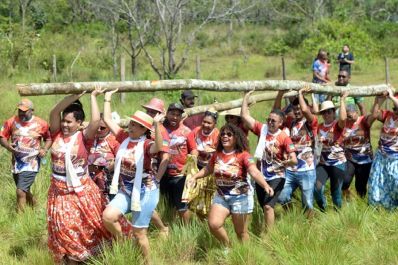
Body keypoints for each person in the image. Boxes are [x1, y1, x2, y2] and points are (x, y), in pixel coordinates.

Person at [47, 88, 112, 264]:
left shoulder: (84, 137)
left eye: (69, 122)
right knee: (63, 228)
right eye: (63, 121)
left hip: (80, 193)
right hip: (58, 193)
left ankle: (79, 257)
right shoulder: (56, 134)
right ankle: (71, 258)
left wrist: (92, 97)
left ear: (79, 123)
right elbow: (53, 112)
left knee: (83, 228)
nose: (65, 125)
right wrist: (73, 97)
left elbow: (97, 120)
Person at [101, 89, 164, 264]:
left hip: (145, 192)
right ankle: (125, 243)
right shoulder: (124, 138)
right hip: (126, 190)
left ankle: (147, 262)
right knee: (108, 217)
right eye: (131, 123)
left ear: (144, 129)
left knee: (140, 233)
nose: (131, 126)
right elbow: (107, 120)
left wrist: (157, 125)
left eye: (135, 125)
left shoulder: (147, 144)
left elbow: (158, 147)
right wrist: (107, 98)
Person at [188, 124, 274, 246]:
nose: (225, 136)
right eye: (222, 134)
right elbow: (208, 169)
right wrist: (194, 177)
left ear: (236, 137)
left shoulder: (244, 155)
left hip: (240, 197)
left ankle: (246, 256)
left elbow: (254, 171)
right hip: (221, 196)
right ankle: (228, 247)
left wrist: (265, 185)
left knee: (241, 232)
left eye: (229, 134)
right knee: (214, 224)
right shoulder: (216, 155)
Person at [241, 91, 297, 229]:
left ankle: (269, 237)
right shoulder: (262, 130)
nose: (270, 122)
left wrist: (286, 162)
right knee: (263, 205)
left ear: (280, 123)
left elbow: (294, 160)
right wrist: (246, 97)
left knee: (267, 206)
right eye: (269, 119)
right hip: (261, 175)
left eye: (273, 121)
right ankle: (270, 225)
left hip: (277, 175)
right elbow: (244, 116)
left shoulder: (284, 137)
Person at [0, 98, 52, 212]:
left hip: (32, 162)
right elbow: (2, 136)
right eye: (20, 110)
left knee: (20, 191)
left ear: (32, 111)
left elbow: (49, 138)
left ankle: (21, 220)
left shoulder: (41, 123)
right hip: (16, 162)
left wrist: (44, 149)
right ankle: (37, 209)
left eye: (25, 111)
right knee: (24, 189)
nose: (22, 113)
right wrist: (8, 146)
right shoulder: (11, 121)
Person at [274, 87, 318, 217]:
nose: (298, 111)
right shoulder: (289, 123)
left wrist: (300, 94)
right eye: (295, 109)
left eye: (299, 109)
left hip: (307, 170)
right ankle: (292, 215)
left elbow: (305, 110)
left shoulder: (311, 122)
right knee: (281, 197)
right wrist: (280, 93)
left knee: (308, 203)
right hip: (290, 170)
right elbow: (276, 112)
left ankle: (310, 227)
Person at [314, 94, 348, 211]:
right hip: (323, 163)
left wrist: (342, 100)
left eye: (329, 112)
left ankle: (338, 215)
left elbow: (343, 119)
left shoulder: (337, 125)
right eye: (324, 112)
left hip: (337, 163)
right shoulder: (319, 127)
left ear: (334, 112)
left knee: (336, 193)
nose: (326, 114)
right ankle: (323, 210)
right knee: (317, 188)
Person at [142, 97, 170, 237]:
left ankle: (162, 228)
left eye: (153, 112)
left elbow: (165, 157)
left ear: (159, 114)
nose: (149, 114)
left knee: (146, 204)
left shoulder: (161, 131)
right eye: (148, 110)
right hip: (137, 170)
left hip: (150, 173)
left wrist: (157, 179)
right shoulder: (143, 126)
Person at [161, 103, 192, 224]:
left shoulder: (187, 132)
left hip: (180, 175)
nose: (174, 117)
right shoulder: (161, 129)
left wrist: (188, 165)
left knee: (182, 206)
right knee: (168, 204)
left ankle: (187, 229)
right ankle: (169, 228)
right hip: (163, 173)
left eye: (178, 115)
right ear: (167, 114)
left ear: (181, 117)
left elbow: (193, 150)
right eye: (172, 114)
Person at [368, 88, 398, 210]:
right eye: (394, 108)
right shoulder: (387, 115)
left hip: (395, 158)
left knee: (395, 182)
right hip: (382, 156)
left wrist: (391, 97)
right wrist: (378, 100)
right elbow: (374, 114)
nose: (395, 110)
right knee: (378, 182)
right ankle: (383, 208)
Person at [339, 103, 375, 199]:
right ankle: (347, 198)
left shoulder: (363, 121)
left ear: (356, 112)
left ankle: (360, 205)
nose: (349, 118)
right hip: (350, 158)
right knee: (345, 182)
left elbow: (374, 115)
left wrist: (377, 101)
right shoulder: (344, 123)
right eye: (347, 116)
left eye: (350, 115)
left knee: (360, 186)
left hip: (365, 159)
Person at [87, 114, 119, 200]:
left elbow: (120, 159)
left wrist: (106, 170)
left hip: (108, 181)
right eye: (97, 127)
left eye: (102, 128)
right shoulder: (89, 138)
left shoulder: (114, 140)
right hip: (88, 180)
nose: (98, 130)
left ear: (109, 127)